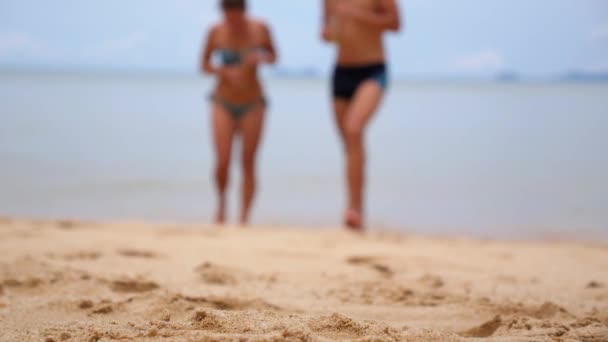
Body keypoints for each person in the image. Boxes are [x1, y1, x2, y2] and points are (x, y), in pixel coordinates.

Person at [322, 0, 401, 230]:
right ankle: (354, 210)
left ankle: (354, 208)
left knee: (354, 129)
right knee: (348, 144)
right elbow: (327, 34)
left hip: (373, 69)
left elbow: (395, 24)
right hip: (341, 71)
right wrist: (329, 33)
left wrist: (357, 15)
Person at [200, 0, 277, 225]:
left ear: (244, 11)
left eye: (236, 15)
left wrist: (260, 58)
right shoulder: (215, 31)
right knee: (222, 161)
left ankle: (244, 218)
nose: (232, 20)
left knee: (248, 162)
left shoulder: (260, 29)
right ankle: (221, 206)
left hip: (253, 102)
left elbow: (274, 56)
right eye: (228, 14)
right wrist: (223, 71)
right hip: (222, 100)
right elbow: (204, 64)